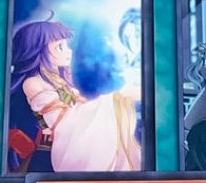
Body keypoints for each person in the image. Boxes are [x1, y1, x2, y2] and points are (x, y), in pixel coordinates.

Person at [7, 16, 141, 172]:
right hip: (48, 155)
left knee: (115, 99)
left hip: (70, 140)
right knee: (108, 100)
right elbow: (59, 120)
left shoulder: (61, 77)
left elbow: (80, 104)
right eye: (60, 47)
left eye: (66, 45)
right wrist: (104, 101)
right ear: (38, 50)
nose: (69, 51)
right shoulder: (33, 82)